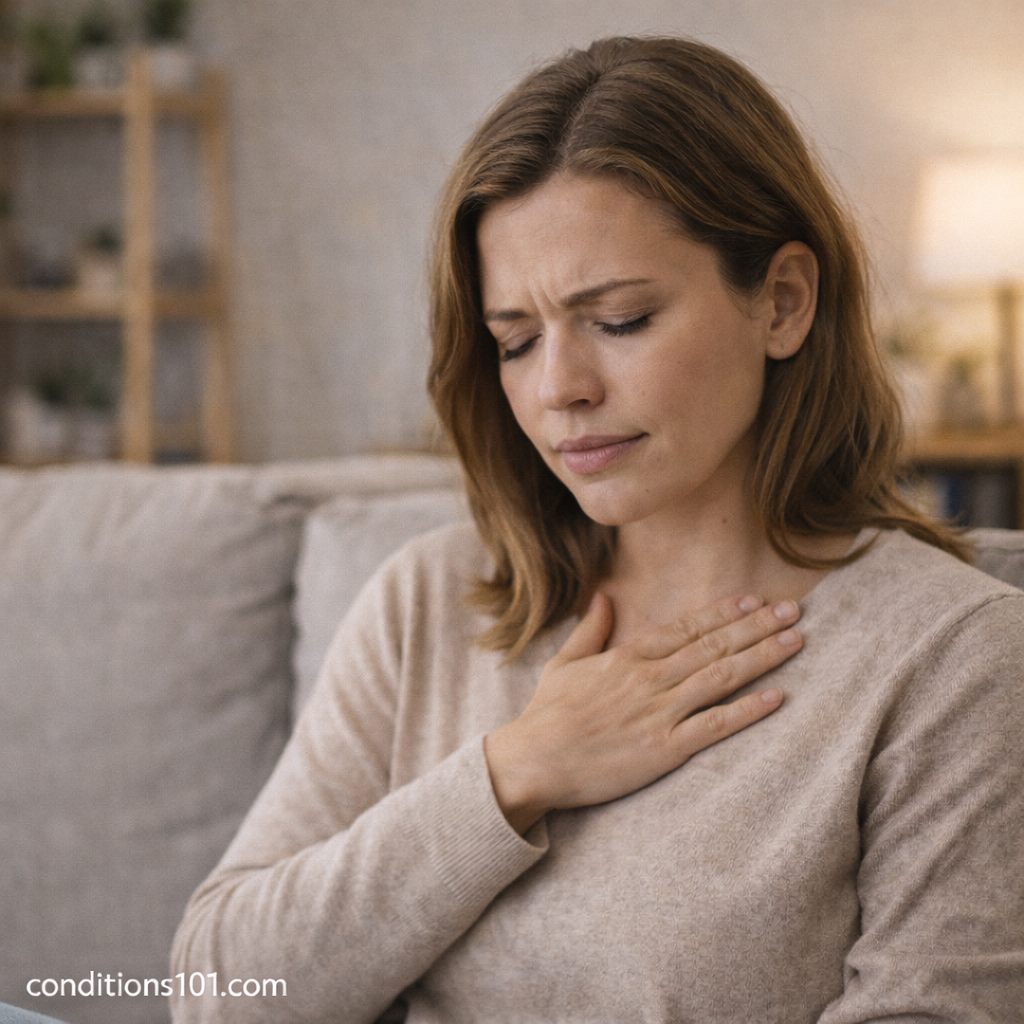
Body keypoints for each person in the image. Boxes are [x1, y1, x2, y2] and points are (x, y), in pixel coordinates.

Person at [171, 36, 1024, 1023]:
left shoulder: (954, 659)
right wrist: (512, 772)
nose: (558, 389)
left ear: (783, 301)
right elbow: (212, 993)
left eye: (617, 319)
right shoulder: (430, 601)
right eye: (515, 341)